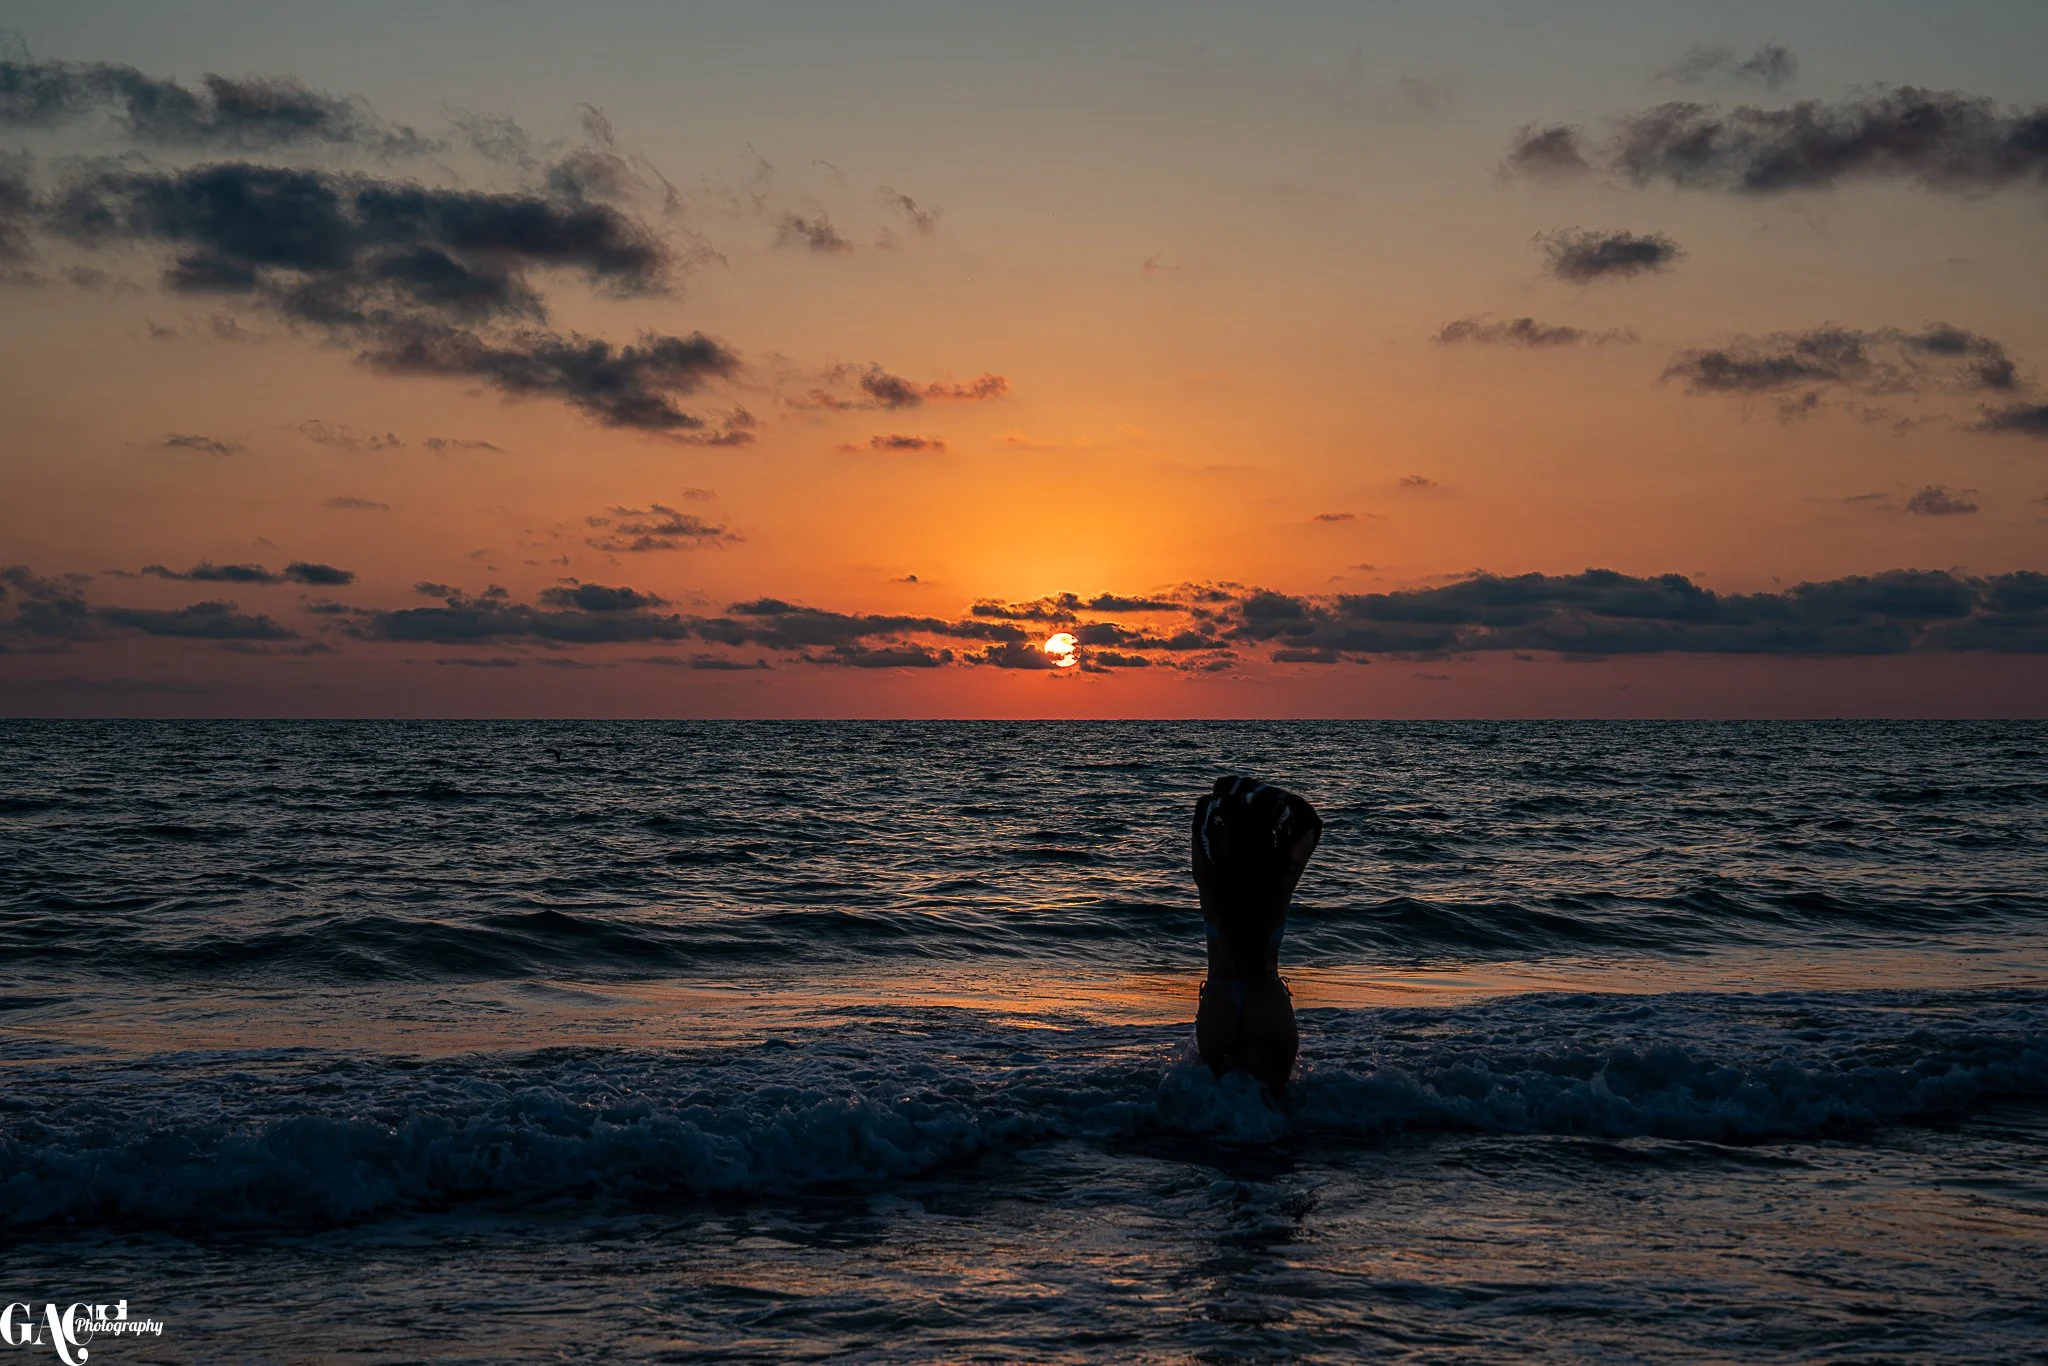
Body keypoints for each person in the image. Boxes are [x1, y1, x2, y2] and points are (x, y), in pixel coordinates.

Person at [1191, 775, 1323, 1097]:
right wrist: (1255, 792)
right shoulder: (1279, 879)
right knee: (1276, 1109)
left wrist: (1227, 792)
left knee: (1213, 1111)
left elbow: (1201, 814)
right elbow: (1309, 820)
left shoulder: (1209, 879)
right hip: (1265, 999)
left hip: (1220, 999)